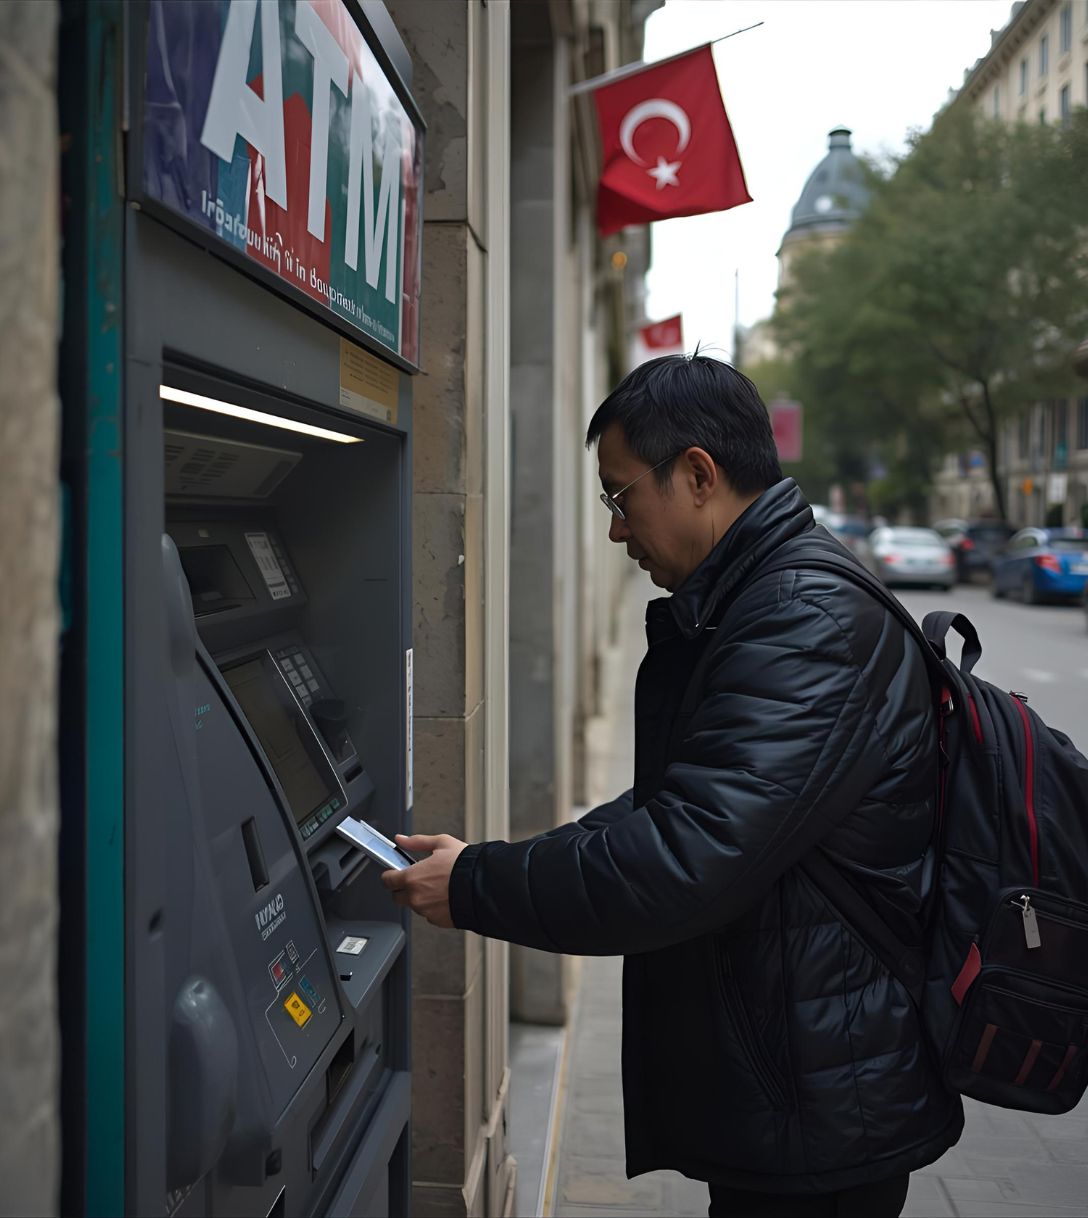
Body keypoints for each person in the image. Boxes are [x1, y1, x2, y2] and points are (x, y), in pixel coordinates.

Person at [382, 355, 963, 1217]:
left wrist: (476, 885)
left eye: (620, 497)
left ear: (697, 473)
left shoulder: (805, 621)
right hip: (802, 1076)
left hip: (826, 1102)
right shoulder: (762, 599)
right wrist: (495, 861)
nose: (617, 531)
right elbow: (684, 802)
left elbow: (685, 856)